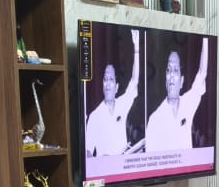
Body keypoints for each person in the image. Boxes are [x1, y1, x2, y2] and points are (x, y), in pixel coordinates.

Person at [145, 38, 208, 153]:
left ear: (182, 81)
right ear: (165, 79)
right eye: (168, 70)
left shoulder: (187, 103)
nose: (171, 75)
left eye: (175, 70)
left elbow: (202, 72)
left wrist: (205, 37)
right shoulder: (155, 119)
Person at [84, 29, 141, 157]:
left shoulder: (122, 104)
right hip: (105, 168)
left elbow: (134, 80)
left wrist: (136, 47)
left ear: (116, 87)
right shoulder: (94, 116)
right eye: (105, 79)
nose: (108, 84)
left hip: (124, 165)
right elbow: (88, 152)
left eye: (111, 80)